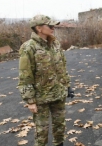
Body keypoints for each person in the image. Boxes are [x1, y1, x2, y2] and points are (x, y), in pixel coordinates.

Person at [18, 15, 74, 146]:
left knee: (60, 126)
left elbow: (62, 67)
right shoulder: (28, 48)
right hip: (41, 98)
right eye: (50, 26)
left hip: (58, 94)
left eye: (54, 26)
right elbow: (25, 76)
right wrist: (30, 100)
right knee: (42, 132)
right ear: (39, 28)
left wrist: (67, 86)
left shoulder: (55, 43)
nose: (53, 28)